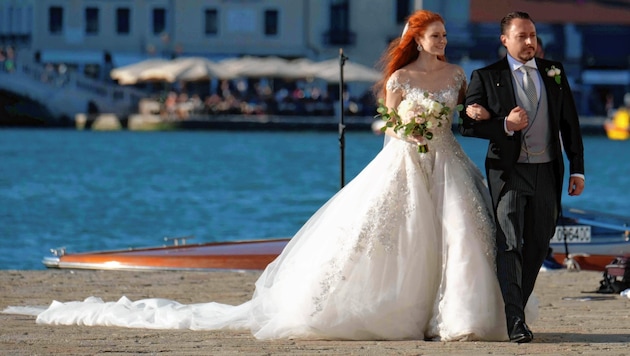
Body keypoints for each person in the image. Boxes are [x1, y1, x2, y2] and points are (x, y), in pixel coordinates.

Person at [4, 10, 521, 342]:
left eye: (446, 36)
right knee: (399, 235)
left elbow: (464, 114)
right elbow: (386, 127)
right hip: (406, 159)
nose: (444, 42)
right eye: (436, 36)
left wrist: (471, 121)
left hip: (448, 158)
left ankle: (463, 318)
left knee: (462, 235)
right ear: (416, 38)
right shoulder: (400, 78)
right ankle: (396, 311)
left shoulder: (457, 77)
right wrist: (408, 134)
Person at [460, 11, 585, 343]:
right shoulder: (486, 76)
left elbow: (570, 124)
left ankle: (517, 306)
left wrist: (577, 168)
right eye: (522, 36)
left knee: (539, 244)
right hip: (509, 172)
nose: (530, 42)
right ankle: (515, 320)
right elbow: (468, 124)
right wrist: (503, 124)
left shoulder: (554, 72)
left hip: (548, 171)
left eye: (532, 35)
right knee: (510, 243)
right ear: (505, 41)